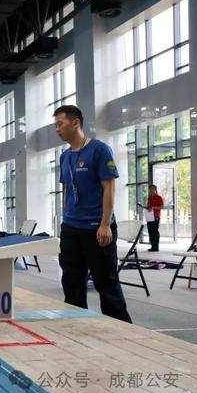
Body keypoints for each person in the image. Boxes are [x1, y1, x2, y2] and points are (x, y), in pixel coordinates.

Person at [54, 105, 132, 323]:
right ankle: (77, 324)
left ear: (75, 122)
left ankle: (123, 330)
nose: (57, 129)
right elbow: (67, 189)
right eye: (56, 125)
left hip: (96, 228)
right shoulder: (65, 156)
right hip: (71, 227)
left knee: (105, 284)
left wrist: (105, 224)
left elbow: (109, 187)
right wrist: (65, 218)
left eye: (60, 124)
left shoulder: (99, 150)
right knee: (71, 281)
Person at [139, 185, 164, 252]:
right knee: (150, 232)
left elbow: (161, 207)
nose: (150, 191)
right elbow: (149, 207)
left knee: (155, 232)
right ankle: (152, 246)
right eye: (150, 189)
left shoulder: (159, 197)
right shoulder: (149, 198)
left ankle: (156, 247)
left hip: (155, 217)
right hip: (149, 217)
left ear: (155, 190)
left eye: (152, 189)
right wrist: (144, 206)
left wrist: (154, 207)